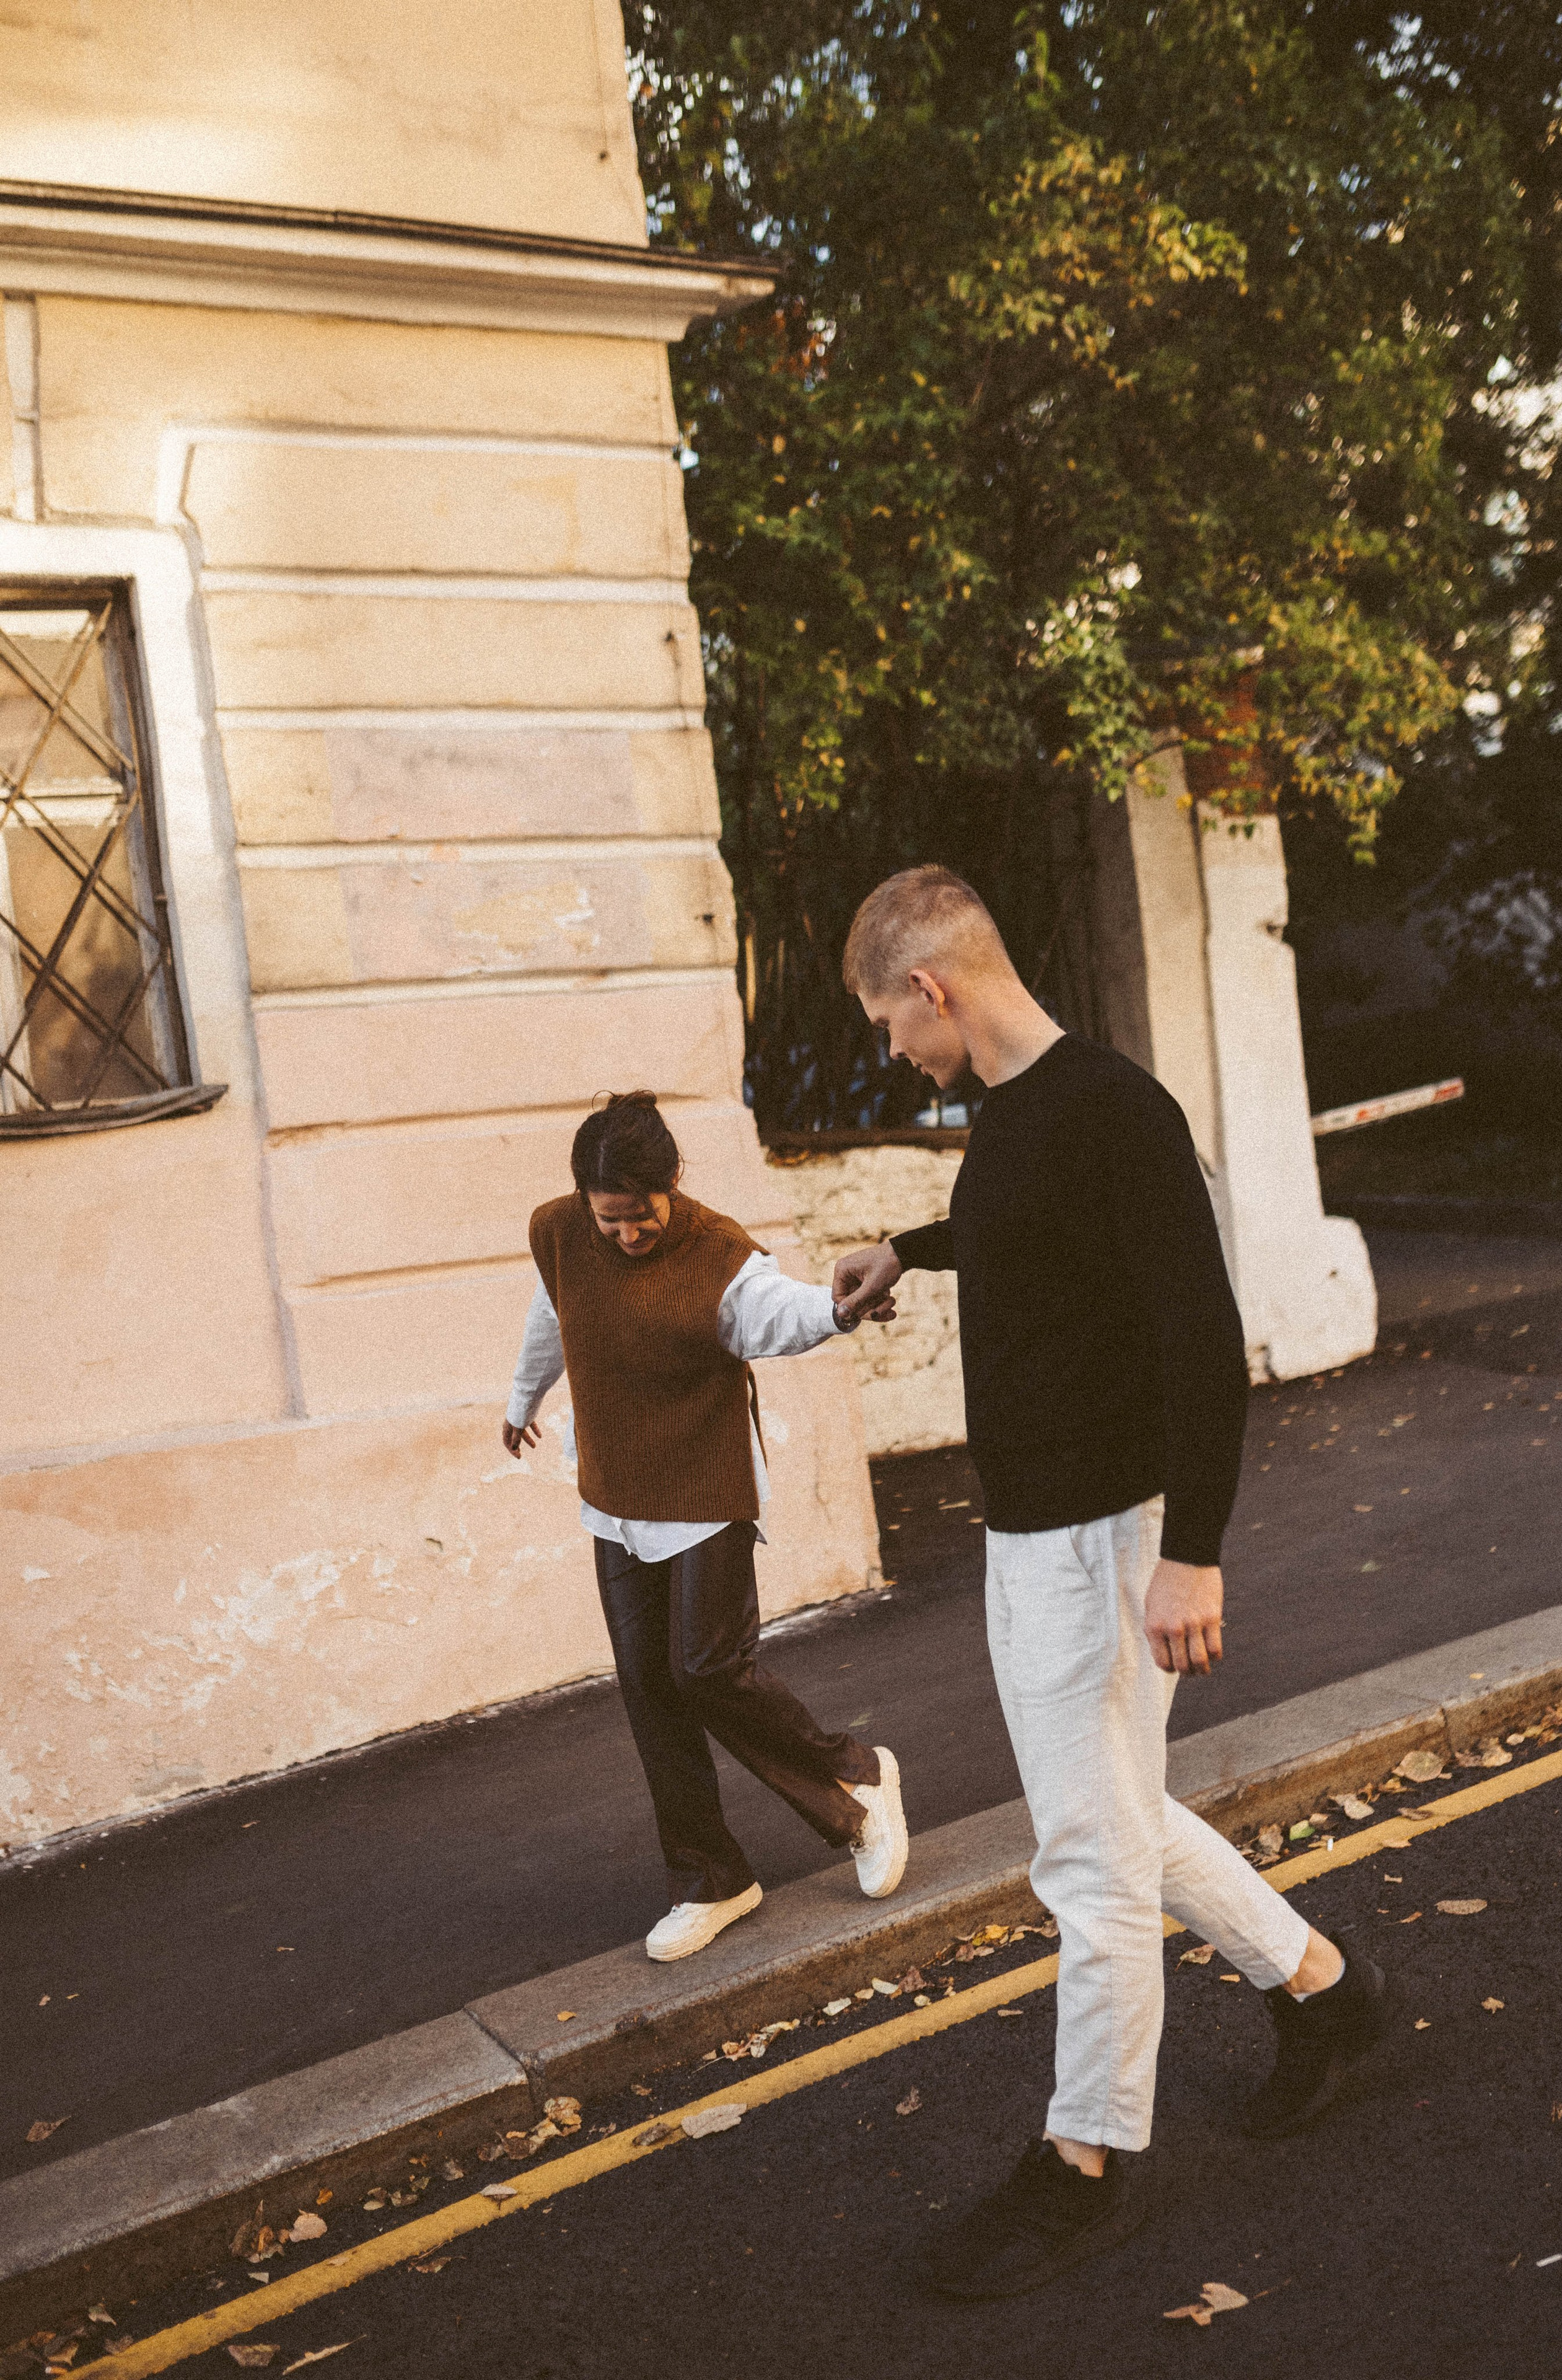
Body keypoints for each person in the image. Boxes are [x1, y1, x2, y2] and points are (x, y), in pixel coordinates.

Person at [831, 866, 1398, 2301]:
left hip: (1104, 1541)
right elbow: (1031, 1239)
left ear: (931, 989)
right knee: (1119, 1817)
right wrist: (906, 1246)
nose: (894, 1054)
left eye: (888, 1026)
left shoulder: (1114, 1114)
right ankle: (1327, 1995)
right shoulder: (1014, 1116)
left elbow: (1201, 1343)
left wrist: (1190, 1554)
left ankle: (1083, 2162)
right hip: (1033, 1536)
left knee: (1086, 1863)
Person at [502, 1090, 908, 1963]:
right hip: (615, 1493)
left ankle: (856, 1777)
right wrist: (522, 1397)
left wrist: (837, 1310)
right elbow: (554, 1311)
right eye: (608, 1219)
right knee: (651, 1688)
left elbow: (777, 1314)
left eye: (640, 1215)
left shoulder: (717, 1253)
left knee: (709, 1668)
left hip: (704, 1487)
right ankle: (712, 1878)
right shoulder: (561, 1232)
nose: (625, 1235)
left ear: (671, 1183)